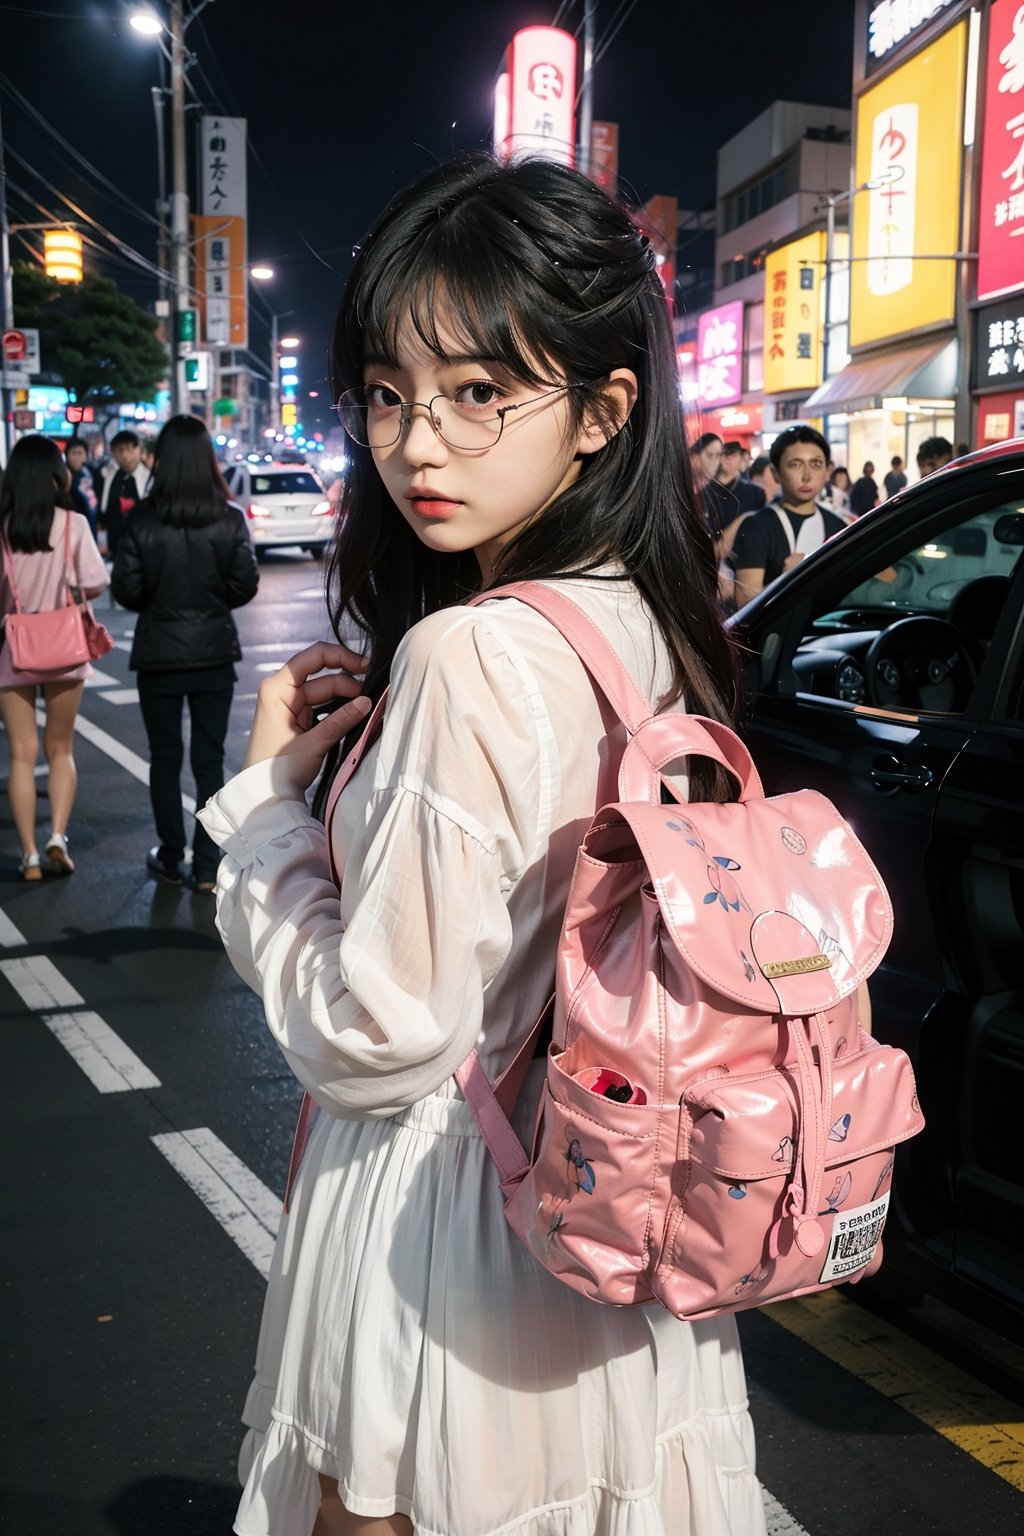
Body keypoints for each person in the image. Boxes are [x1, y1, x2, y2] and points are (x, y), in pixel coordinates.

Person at [198, 153, 765, 1536]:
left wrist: (268, 816)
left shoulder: (468, 655)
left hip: (442, 1235)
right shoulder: (646, 622)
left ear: (600, 410)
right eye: (388, 394)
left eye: (477, 392)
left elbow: (379, 1038)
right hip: (606, 1212)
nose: (417, 444)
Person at [111, 416, 258, 892]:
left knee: (165, 759)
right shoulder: (229, 517)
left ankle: (171, 857)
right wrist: (210, 605)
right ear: (206, 460)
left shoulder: (142, 519)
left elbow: (127, 592)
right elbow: (244, 584)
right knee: (210, 761)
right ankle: (205, 867)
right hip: (214, 653)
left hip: (159, 656)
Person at [0, 435, 109, 879]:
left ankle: (27, 856)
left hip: (13, 648)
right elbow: (97, 583)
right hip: (63, 645)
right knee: (60, 749)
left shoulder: (4, 529)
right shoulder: (72, 524)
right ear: (55, 475)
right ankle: (56, 837)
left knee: (21, 755)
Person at [732, 425, 847, 608]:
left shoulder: (839, 528)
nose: (807, 476)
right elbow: (743, 604)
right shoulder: (757, 526)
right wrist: (787, 580)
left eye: (816, 464)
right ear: (776, 473)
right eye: (795, 464)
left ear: (827, 472)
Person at [99, 429, 149, 557]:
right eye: (120, 450)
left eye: (130, 449)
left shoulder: (149, 478)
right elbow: (104, 515)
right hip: (115, 549)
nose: (126, 455)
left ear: (139, 450)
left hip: (143, 548)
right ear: (113, 453)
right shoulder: (110, 478)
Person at [65, 439, 99, 541]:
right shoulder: (63, 475)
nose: (77, 457)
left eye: (80, 453)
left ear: (86, 455)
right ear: (67, 455)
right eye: (73, 453)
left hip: (91, 523)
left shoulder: (92, 475)